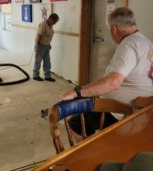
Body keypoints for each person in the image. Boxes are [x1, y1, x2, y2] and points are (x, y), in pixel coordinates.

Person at [59, 7, 153, 139]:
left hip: (124, 111)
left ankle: (90, 154)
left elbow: (112, 83)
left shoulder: (129, 45)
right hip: (144, 107)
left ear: (114, 29)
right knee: (89, 99)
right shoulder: (146, 42)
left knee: (75, 124)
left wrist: (76, 92)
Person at [33, 13, 59, 82]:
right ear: (50, 18)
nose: (55, 23)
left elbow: (48, 35)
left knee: (47, 62)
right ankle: (35, 76)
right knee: (38, 61)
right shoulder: (43, 24)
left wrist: (49, 44)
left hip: (46, 46)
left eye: (55, 22)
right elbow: (39, 36)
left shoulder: (50, 25)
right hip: (40, 45)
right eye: (54, 21)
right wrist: (37, 48)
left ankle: (47, 76)